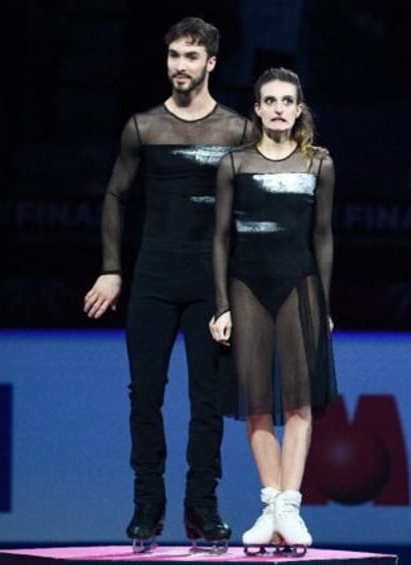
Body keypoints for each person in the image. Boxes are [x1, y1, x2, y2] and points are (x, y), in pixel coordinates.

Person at [82, 16, 254, 553]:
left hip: (211, 281)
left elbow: (251, 211)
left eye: (191, 57)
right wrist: (112, 269)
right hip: (154, 275)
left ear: (211, 64)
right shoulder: (143, 127)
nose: (180, 66)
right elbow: (115, 197)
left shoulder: (236, 130)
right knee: (145, 397)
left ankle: (202, 506)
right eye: (174, 56)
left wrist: (244, 289)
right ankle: (147, 508)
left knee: (207, 399)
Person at [209, 67, 337, 551]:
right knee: (257, 401)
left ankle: (290, 507)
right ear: (258, 109)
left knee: (300, 400)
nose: (280, 108)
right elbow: (220, 238)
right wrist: (221, 304)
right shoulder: (234, 164)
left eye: (288, 100)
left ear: (299, 109)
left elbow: (323, 237)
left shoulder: (318, 164)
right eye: (270, 100)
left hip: (299, 285)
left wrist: (323, 301)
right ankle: (269, 505)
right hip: (246, 286)